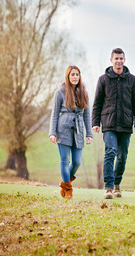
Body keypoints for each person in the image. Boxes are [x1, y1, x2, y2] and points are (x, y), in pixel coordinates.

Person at [92, 48, 135, 199]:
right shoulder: (103, 79)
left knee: (122, 156)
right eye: (116, 59)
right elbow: (97, 103)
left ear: (124, 60)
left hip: (126, 123)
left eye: (121, 58)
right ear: (111, 60)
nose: (119, 61)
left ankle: (116, 185)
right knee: (110, 152)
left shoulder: (132, 80)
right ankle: (108, 188)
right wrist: (95, 122)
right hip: (109, 123)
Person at [49, 66, 93, 199]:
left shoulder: (84, 93)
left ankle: (64, 183)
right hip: (63, 129)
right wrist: (52, 132)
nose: (75, 77)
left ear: (79, 77)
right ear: (68, 77)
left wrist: (89, 134)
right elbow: (54, 113)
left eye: (77, 75)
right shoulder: (60, 93)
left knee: (77, 161)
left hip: (78, 130)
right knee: (64, 160)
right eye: (72, 75)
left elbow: (86, 115)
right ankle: (68, 190)